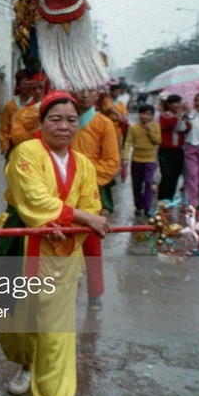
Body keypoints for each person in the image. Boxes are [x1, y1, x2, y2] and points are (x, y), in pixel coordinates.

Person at [0, 90, 110, 396]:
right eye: (55, 118)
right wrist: (74, 216)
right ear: (41, 123)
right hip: (22, 248)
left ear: (79, 124)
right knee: (15, 318)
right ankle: (26, 365)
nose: (64, 125)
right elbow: (34, 199)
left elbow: (91, 203)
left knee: (57, 334)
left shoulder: (85, 165)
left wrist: (73, 223)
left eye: (71, 119)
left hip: (61, 257)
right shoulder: (25, 152)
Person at [71, 88, 121, 311]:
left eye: (89, 90)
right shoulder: (62, 120)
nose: (84, 95)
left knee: (91, 244)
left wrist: (83, 177)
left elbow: (111, 162)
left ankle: (94, 293)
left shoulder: (104, 124)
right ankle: (64, 288)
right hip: (60, 188)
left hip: (90, 192)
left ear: (97, 95)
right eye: (79, 90)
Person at [121, 103, 161, 217]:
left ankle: (147, 207)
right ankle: (138, 206)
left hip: (150, 159)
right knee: (137, 184)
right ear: (139, 115)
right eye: (143, 114)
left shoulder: (155, 126)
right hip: (136, 159)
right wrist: (125, 158)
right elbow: (128, 142)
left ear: (152, 116)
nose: (145, 117)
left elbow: (157, 141)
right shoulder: (133, 127)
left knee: (148, 183)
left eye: (148, 114)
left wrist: (150, 131)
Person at [156, 93, 190, 202]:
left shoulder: (182, 116)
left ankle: (169, 199)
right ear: (169, 104)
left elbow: (186, 128)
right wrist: (178, 116)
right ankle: (162, 199)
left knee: (175, 176)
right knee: (166, 174)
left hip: (178, 150)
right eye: (176, 102)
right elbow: (167, 124)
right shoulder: (163, 116)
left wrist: (186, 116)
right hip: (165, 150)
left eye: (179, 102)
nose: (178, 105)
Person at [0, 70, 31, 157]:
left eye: (29, 82)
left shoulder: (37, 105)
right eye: (24, 83)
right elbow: (4, 128)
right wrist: (5, 147)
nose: (27, 86)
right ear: (18, 85)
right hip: (15, 147)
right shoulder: (10, 106)